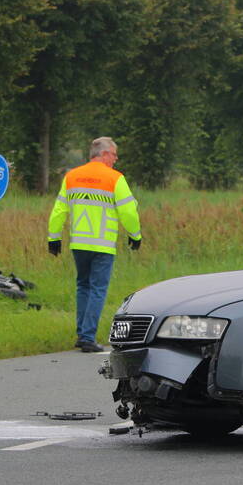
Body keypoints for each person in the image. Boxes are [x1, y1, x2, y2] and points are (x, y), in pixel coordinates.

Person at [47, 137, 142, 352]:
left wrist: (53, 238)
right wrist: (135, 235)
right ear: (105, 154)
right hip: (102, 245)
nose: (116, 159)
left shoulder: (72, 177)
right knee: (98, 289)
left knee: (83, 286)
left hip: (79, 244)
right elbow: (128, 211)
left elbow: (59, 210)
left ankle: (82, 334)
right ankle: (88, 338)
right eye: (114, 154)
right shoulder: (115, 179)